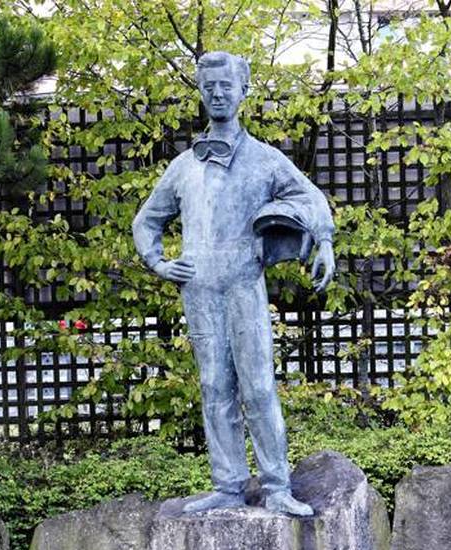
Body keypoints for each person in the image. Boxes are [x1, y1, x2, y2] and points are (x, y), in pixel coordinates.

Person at [131, 50, 336, 517]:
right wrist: (159, 262)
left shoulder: (265, 160)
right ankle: (226, 484)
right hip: (199, 289)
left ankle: (276, 484)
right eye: (210, 87)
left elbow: (310, 196)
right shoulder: (184, 166)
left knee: (259, 387)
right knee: (214, 385)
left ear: (244, 91)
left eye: (227, 85)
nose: (218, 93)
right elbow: (148, 221)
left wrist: (322, 240)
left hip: (245, 285)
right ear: (200, 94)